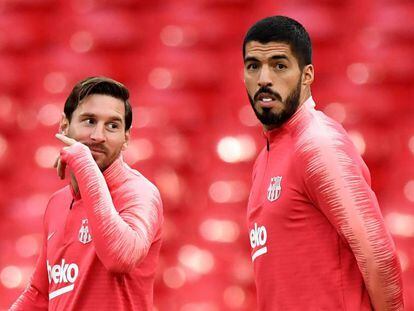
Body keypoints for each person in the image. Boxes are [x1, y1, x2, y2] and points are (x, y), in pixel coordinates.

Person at [243, 16, 403, 310]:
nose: (264, 79)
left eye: (279, 65)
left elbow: (378, 256)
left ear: (307, 76)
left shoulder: (318, 144)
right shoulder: (266, 157)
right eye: (253, 66)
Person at [10, 77, 163, 310]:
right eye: (89, 121)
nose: (98, 136)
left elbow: (120, 257)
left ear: (126, 139)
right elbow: (40, 294)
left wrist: (83, 163)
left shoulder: (140, 193)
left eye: (113, 126)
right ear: (64, 126)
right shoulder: (57, 202)